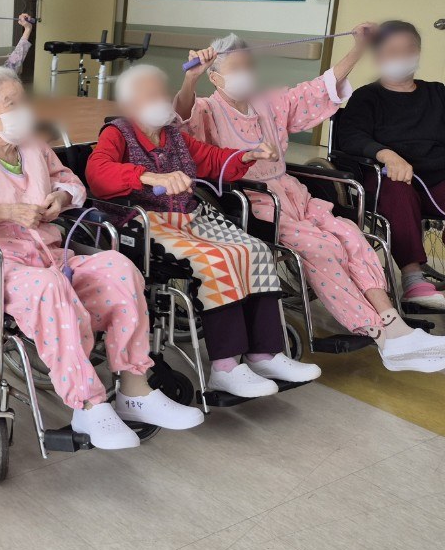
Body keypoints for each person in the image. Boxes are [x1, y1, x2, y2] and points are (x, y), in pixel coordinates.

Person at [0, 65, 204, 449]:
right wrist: (5, 212)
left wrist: (60, 199)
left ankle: (135, 389)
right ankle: (87, 405)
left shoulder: (34, 148)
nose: (24, 109)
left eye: (23, 100)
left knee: (120, 268)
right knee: (50, 286)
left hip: (49, 254)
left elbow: (71, 183)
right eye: (11, 103)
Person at [173, 28, 445, 372]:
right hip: (252, 200)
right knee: (323, 247)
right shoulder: (206, 109)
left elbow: (321, 87)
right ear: (215, 76)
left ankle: (394, 324)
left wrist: (359, 47)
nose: (245, 73)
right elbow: (180, 120)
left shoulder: (269, 102)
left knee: (350, 235)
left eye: (248, 66)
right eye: (236, 68)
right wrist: (190, 79)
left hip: (292, 192)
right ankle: (379, 334)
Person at [87, 64, 322, 398]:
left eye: (162, 92)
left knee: (255, 250)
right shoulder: (117, 134)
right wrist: (147, 177)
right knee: (216, 261)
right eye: (151, 94)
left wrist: (249, 155)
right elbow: (98, 173)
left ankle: (264, 354)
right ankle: (225, 368)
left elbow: (211, 159)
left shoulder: (173, 135)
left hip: (191, 216)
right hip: (146, 223)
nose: (161, 99)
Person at [335, 20, 445, 314]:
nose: (401, 56)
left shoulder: (438, 93)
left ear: (419, 52)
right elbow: (351, 136)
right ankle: (413, 280)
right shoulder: (367, 97)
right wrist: (386, 154)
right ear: (379, 56)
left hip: (440, 178)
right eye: (393, 51)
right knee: (397, 193)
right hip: (392, 178)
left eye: (408, 49)